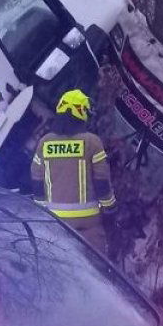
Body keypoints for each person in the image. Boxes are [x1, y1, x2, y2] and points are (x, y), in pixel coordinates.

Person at [31, 89, 116, 253]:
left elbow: (37, 179)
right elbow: (102, 181)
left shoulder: (44, 143)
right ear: (81, 112)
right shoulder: (92, 142)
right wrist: (110, 208)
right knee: (95, 267)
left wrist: (42, 212)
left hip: (55, 221)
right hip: (88, 222)